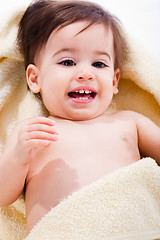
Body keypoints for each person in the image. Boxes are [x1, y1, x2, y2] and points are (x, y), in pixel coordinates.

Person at [0, 0, 160, 233]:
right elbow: (3, 196)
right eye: (67, 62)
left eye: (98, 63)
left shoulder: (130, 122)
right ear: (35, 79)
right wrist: (18, 157)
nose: (86, 73)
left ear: (114, 81)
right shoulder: (32, 131)